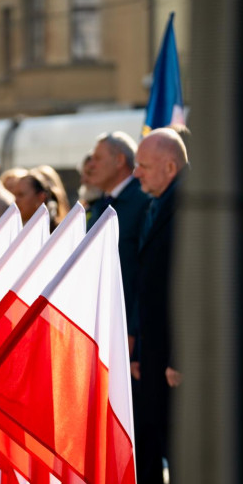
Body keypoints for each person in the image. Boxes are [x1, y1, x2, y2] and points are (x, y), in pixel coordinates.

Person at [131, 127, 189, 484]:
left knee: (182, 455)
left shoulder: (188, 205)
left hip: (175, 359)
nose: (137, 174)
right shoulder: (161, 202)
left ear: (170, 167)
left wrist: (179, 357)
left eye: (143, 166)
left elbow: (194, 287)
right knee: (169, 447)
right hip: (155, 352)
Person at [88, 131, 149, 346]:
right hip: (100, 324)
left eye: (97, 158)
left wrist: (134, 331)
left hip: (126, 332)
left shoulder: (143, 201)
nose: (90, 165)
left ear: (119, 160)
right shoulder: (100, 205)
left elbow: (147, 271)